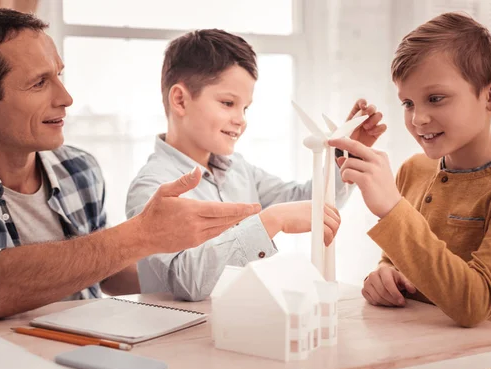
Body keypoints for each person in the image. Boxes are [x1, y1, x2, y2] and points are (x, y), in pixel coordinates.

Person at [0, 8, 260, 325]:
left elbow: (107, 273)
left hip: (86, 358)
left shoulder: (79, 168)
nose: (66, 97)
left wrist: (193, 266)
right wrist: (141, 234)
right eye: (39, 83)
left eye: (58, 75)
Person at [330, 12, 491, 369]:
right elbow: (397, 261)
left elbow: (474, 303)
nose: (418, 118)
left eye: (435, 98)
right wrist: (382, 279)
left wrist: (392, 210)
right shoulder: (414, 170)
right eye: (407, 102)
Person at [126, 29, 386, 301]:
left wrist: (346, 156)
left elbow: (308, 202)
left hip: (241, 327)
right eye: (228, 103)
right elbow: (187, 280)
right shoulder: (152, 189)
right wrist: (273, 220)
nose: (241, 119)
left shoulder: (238, 170)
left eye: (245, 108)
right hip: (177, 337)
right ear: (180, 100)